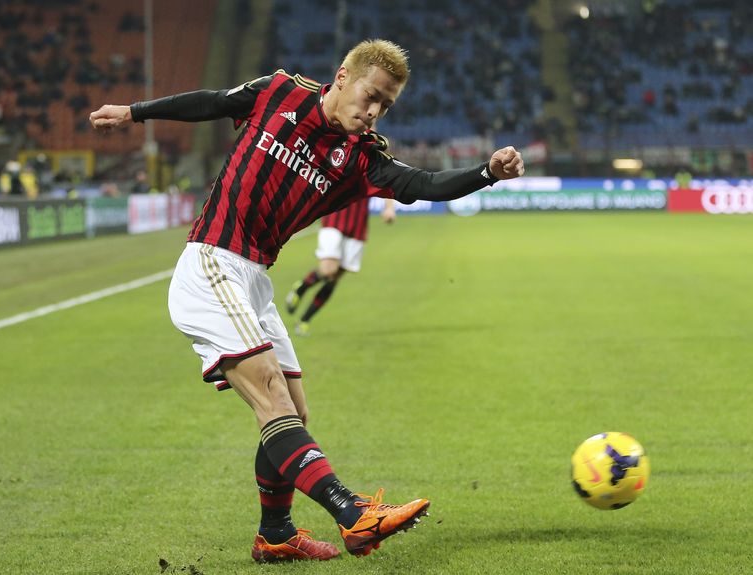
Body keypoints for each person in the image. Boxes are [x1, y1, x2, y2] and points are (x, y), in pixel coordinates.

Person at [89, 38, 524, 563]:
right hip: (212, 260)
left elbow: (425, 183)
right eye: (370, 96)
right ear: (342, 77)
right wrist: (135, 113)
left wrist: (486, 174)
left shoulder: (363, 159)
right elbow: (213, 102)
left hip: (254, 279)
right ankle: (351, 513)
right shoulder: (279, 93)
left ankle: (275, 534)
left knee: (293, 410)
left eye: (386, 105)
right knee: (272, 397)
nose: (373, 112)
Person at [285, 196, 396, 336]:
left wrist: (389, 207)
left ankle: (304, 320)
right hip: (334, 217)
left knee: (334, 278)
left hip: (358, 224)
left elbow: (385, 181)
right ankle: (301, 288)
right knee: (328, 270)